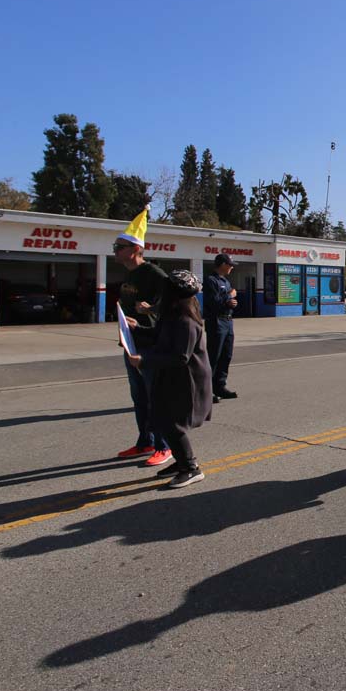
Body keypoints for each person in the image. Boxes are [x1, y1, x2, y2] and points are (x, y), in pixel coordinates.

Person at [126, 270, 213, 489]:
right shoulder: (172, 314)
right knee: (163, 419)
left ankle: (191, 469)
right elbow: (157, 336)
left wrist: (144, 360)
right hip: (171, 377)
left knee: (173, 424)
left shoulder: (186, 322)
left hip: (187, 380)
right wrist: (136, 329)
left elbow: (179, 357)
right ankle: (181, 462)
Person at [112, 208, 173, 468]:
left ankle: (164, 446)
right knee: (139, 396)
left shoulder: (154, 274)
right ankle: (145, 441)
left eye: (120, 246)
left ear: (135, 249)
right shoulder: (129, 274)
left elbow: (177, 301)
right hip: (130, 342)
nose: (115, 250)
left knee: (154, 395)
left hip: (150, 344)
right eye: (115, 245)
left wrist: (151, 310)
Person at [203, 253, 238, 402]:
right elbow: (213, 302)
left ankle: (220, 386)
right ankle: (207, 391)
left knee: (226, 356)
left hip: (228, 321)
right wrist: (229, 297)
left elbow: (225, 301)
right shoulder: (211, 280)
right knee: (214, 357)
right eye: (230, 264)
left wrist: (231, 301)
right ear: (223, 264)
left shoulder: (226, 281)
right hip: (216, 322)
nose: (232, 267)